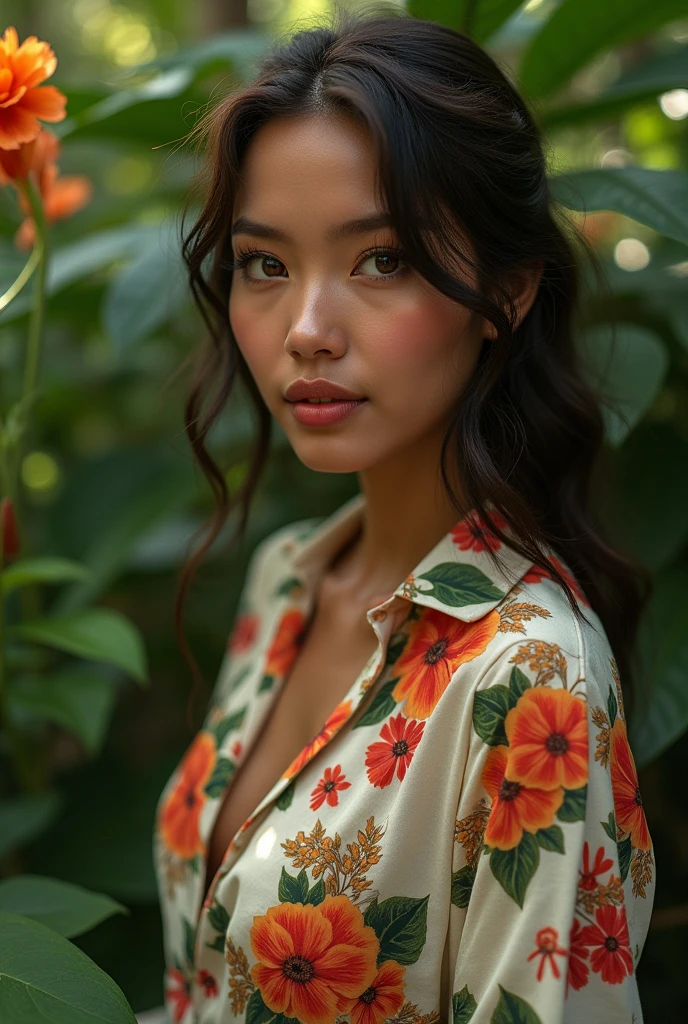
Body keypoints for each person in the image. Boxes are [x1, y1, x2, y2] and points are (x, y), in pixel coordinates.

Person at [152, 9, 655, 1023]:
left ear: (505, 293)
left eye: (380, 259)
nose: (305, 330)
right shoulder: (288, 575)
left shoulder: (527, 675)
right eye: (263, 263)